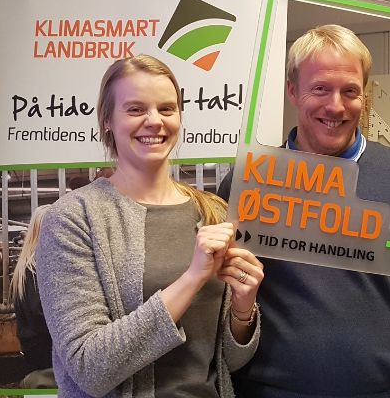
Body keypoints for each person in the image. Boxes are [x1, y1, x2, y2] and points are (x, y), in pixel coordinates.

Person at [217, 24, 390, 397]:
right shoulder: (248, 182)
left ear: (365, 96)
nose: (336, 106)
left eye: (350, 91)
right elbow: (225, 307)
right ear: (293, 90)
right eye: (320, 89)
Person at [36, 54, 263, 397]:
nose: (154, 121)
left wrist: (244, 312)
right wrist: (192, 279)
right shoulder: (73, 218)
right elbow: (88, 368)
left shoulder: (214, 211)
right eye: (136, 109)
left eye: (167, 109)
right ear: (108, 120)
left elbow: (225, 362)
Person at [10, 204, 56, 389]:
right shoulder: (38, 266)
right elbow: (41, 314)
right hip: (46, 352)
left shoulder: (26, 267)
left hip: (34, 350)